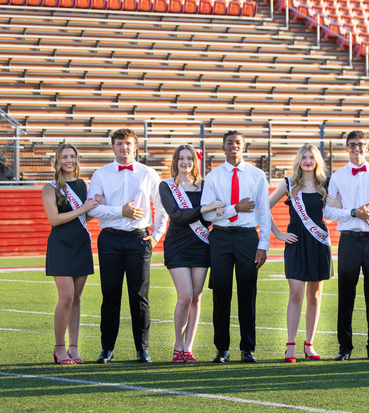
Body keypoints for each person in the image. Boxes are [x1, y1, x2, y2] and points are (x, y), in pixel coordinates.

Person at [87, 128, 168, 364]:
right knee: (110, 295)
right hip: (110, 239)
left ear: (135, 147)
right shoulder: (101, 174)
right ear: (112, 147)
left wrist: (156, 236)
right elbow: (92, 208)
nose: (124, 147)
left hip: (138, 240)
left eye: (128, 144)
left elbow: (162, 208)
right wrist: (119, 211)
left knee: (139, 296)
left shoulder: (148, 173)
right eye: (120, 143)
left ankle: (142, 349)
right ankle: (107, 349)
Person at [200, 131, 271, 363]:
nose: (233, 146)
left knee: (247, 295)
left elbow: (264, 212)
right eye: (229, 143)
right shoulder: (213, 177)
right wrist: (235, 209)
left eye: (237, 143)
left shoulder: (257, 175)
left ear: (244, 146)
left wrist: (264, 244)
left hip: (247, 239)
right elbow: (209, 215)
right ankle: (222, 349)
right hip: (220, 238)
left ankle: (247, 348)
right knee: (220, 294)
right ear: (223, 148)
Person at [322, 130, 369, 361]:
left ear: (367, 147)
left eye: (360, 144)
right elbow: (329, 212)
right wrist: (353, 213)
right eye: (352, 144)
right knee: (346, 295)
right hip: (349, 240)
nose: (356, 148)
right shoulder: (338, 177)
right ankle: (345, 347)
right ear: (346, 148)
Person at [268, 144, 333, 363]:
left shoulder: (325, 183)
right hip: (295, 241)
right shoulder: (289, 184)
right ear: (299, 160)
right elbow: (263, 207)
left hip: (318, 241)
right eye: (304, 157)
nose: (307, 161)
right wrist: (278, 233)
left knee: (314, 295)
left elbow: (336, 209)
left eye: (311, 157)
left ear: (317, 161)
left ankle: (310, 345)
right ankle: (290, 346)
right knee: (296, 293)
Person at [158, 144, 218, 364]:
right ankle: (178, 345)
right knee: (185, 296)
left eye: (189, 159)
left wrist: (217, 209)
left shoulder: (205, 185)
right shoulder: (166, 186)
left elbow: (209, 218)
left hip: (201, 244)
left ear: (195, 162)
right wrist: (203, 209)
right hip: (177, 245)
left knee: (196, 297)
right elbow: (176, 215)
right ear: (175, 161)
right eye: (181, 159)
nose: (185, 163)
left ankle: (189, 348)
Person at [42, 143, 101, 365]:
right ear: (57, 161)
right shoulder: (49, 187)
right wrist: (84, 208)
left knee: (76, 299)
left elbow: (83, 217)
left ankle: (74, 348)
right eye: (64, 157)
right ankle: (59, 348)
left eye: (72, 156)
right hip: (61, 245)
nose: (69, 160)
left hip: (81, 243)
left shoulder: (82, 184)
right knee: (65, 297)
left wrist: (94, 206)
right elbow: (55, 219)